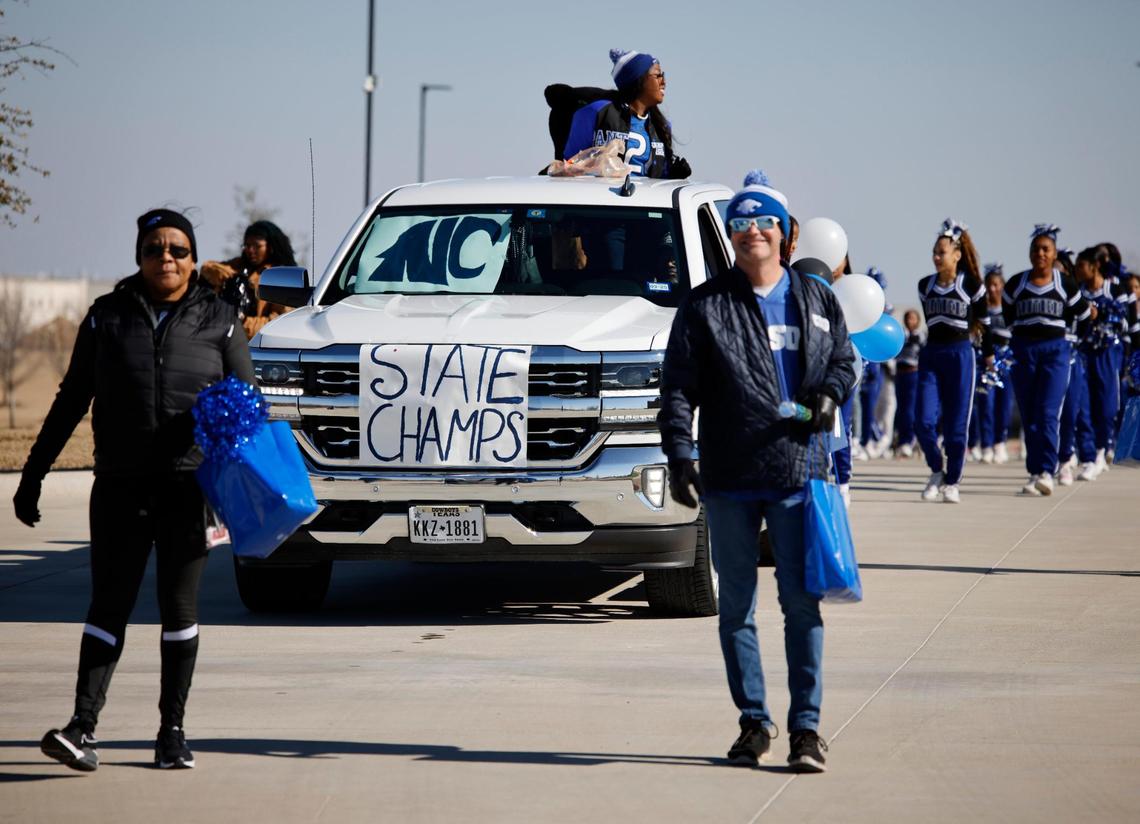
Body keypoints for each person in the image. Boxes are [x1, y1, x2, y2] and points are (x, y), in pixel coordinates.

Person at [12, 209, 256, 772]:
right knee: (108, 605)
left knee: (179, 610)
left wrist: (246, 483)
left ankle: (172, 733)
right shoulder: (107, 318)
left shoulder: (219, 320)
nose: (165, 258)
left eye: (177, 249)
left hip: (187, 490)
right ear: (138, 256)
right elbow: (71, 398)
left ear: (194, 259)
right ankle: (82, 727)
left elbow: (248, 407)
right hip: (120, 486)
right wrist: (33, 474)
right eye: (154, 248)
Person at [658, 174, 855, 773]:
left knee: (801, 604)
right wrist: (679, 456)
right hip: (730, 476)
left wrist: (828, 395)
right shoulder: (705, 304)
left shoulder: (817, 299)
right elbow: (677, 389)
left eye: (762, 222)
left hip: (798, 473)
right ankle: (753, 722)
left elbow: (844, 362)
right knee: (736, 608)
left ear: (785, 233)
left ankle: (807, 729)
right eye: (739, 225)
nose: (751, 234)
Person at [1003, 224, 1090, 495]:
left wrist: (1074, 344)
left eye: (1045, 249)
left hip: (1056, 353)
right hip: (1024, 351)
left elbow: (1085, 315)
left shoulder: (1065, 284)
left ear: (1054, 254)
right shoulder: (1017, 283)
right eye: (1036, 249)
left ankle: (1047, 470)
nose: (1040, 253)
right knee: (1029, 413)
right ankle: (1034, 471)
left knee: (1048, 412)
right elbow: (1007, 312)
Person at [915, 219, 991, 503]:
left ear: (957, 255)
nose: (936, 257)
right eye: (934, 252)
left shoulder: (972, 285)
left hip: (961, 355)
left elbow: (984, 324)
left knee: (957, 427)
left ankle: (953, 480)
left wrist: (990, 356)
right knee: (922, 421)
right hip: (932, 354)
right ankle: (936, 469)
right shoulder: (925, 286)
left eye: (942, 252)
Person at [561, 49, 690, 179]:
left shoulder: (662, 126)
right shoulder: (596, 112)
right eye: (657, 76)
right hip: (601, 197)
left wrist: (672, 175)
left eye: (663, 75)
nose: (663, 82)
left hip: (645, 199)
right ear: (638, 80)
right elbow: (569, 165)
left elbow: (658, 176)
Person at [1076, 245, 1131, 473]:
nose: (1078, 271)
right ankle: (1089, 455)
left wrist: (1103, 315)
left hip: (1109, 353)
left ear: (1094, 266)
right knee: (1083, 403)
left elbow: (1127, 321)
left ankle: (1103, 448)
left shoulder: (1116, 290)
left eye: (1081, 266)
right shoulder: (1078, 291)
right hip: (1083, 352)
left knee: (1107, 404)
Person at [200, 220, 295, 339]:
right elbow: (207, 268)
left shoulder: (281, 277)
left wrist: (242, 321)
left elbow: (279, 324)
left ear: (271, 247)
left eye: (257, 246)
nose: (250, 251)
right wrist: (227, 277)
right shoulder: (238, 265)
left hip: (257, 345)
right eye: (247, 245)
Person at [982, 265, 1015, 463]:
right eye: (989, 285)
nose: (992, 289)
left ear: (1002, 285)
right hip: (987, 362)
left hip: (1007, 363)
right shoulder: (983, 310)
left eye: (996, 285)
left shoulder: (1010, 309)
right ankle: (986, 444)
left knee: (1004, 405)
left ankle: (999, 443)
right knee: (986, 403)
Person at [893, 309, 924, 457]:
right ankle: (902, 439)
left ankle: (909, 439)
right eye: (908, 318)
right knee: (901, 408)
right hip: (900, 373)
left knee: (910, 409)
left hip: (914, 373)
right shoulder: (901, 336)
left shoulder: (921, 336)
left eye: (913, 318)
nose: (910, 321)